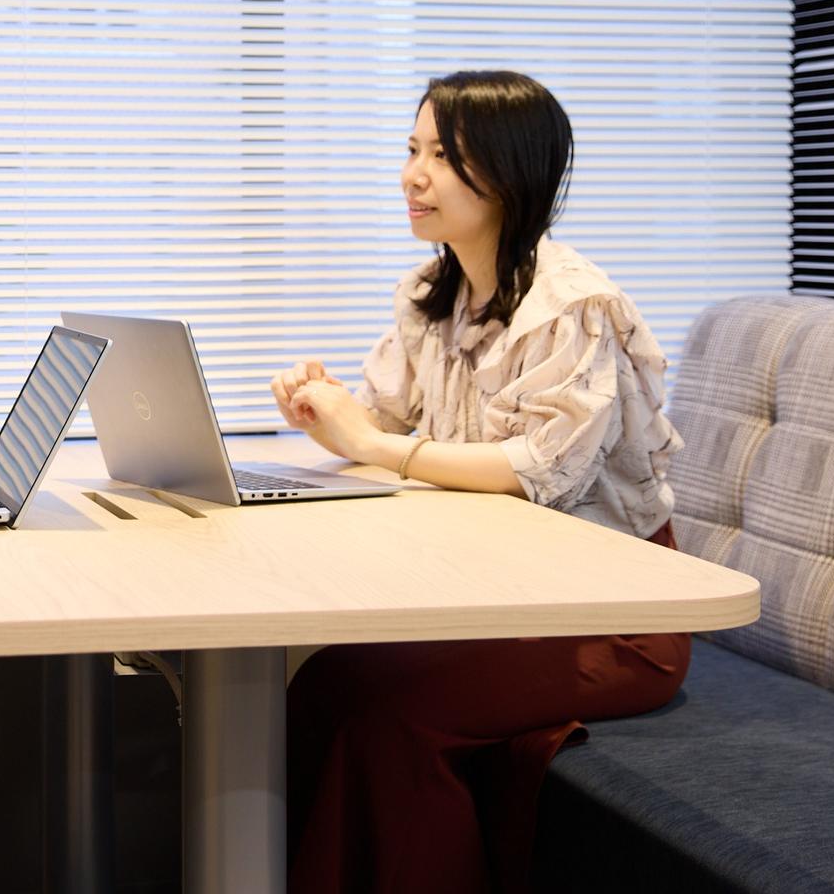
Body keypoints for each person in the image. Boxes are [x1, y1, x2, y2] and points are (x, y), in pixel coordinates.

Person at [269, 70, 687, 894]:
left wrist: (375, 443)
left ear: (506, 174)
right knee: (318, 683)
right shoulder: (433, 294)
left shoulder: (573, 307)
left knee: (388, 717)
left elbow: (539, 472)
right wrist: (327, 413)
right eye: (412, 150)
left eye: (442, 157)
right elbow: (387, 420)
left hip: (614, 614)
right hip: (499, 595)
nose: (412, 176)